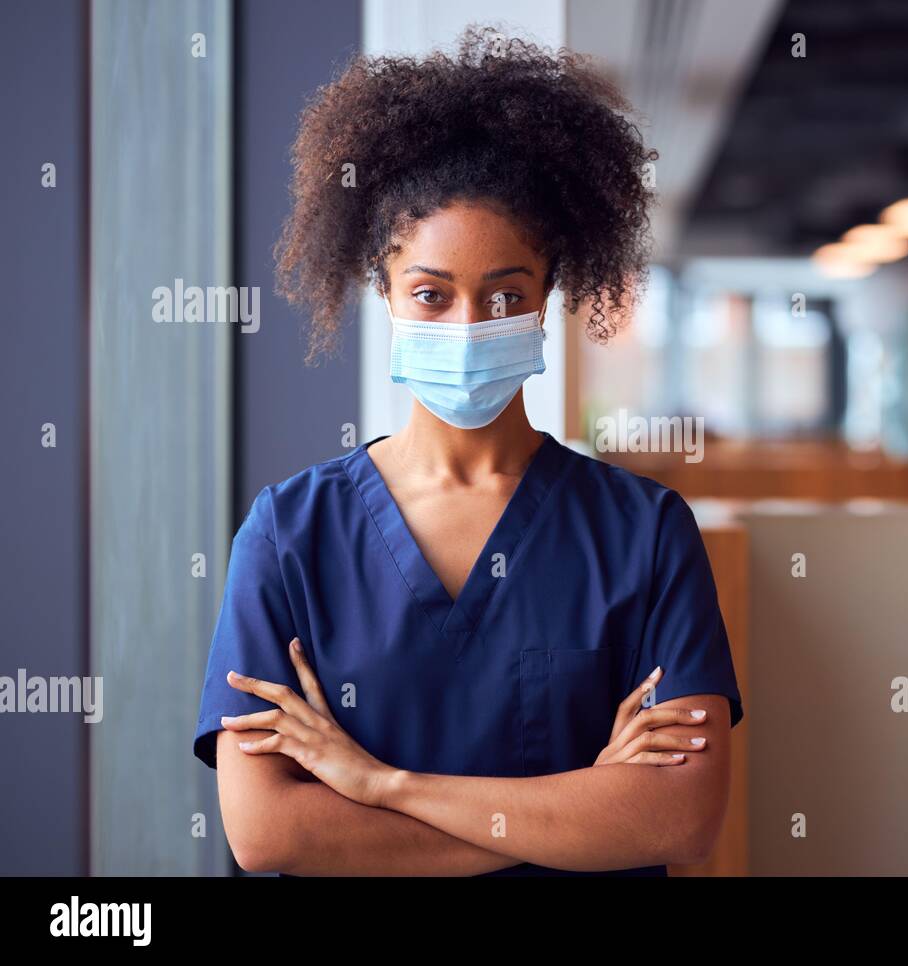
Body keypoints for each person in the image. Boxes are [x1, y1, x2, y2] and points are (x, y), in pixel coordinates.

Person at [191, 27, 744, 876]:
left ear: (549, 291)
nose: (467, 325)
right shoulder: (290, 535)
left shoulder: (645, 534)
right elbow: (270, 834)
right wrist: (568, 809)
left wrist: (380, 783)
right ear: (382, 288)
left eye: (504, 295)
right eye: (431, 293)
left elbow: (675, 820)